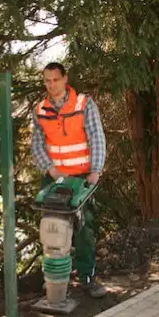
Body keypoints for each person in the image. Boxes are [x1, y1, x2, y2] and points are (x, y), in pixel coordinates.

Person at [31, 62, 107, 298]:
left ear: (65, 79)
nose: (51, 85)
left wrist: (95, 172)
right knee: (52, 229)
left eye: (55, 79)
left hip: (82, 177)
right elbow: (37, 145)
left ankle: (87, 277)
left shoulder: (84, 104)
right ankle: (55, 277)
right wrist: (52, 171)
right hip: (55, 179)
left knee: (84, 230)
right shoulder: (40, 109)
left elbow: (96, 137)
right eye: (47, 80)